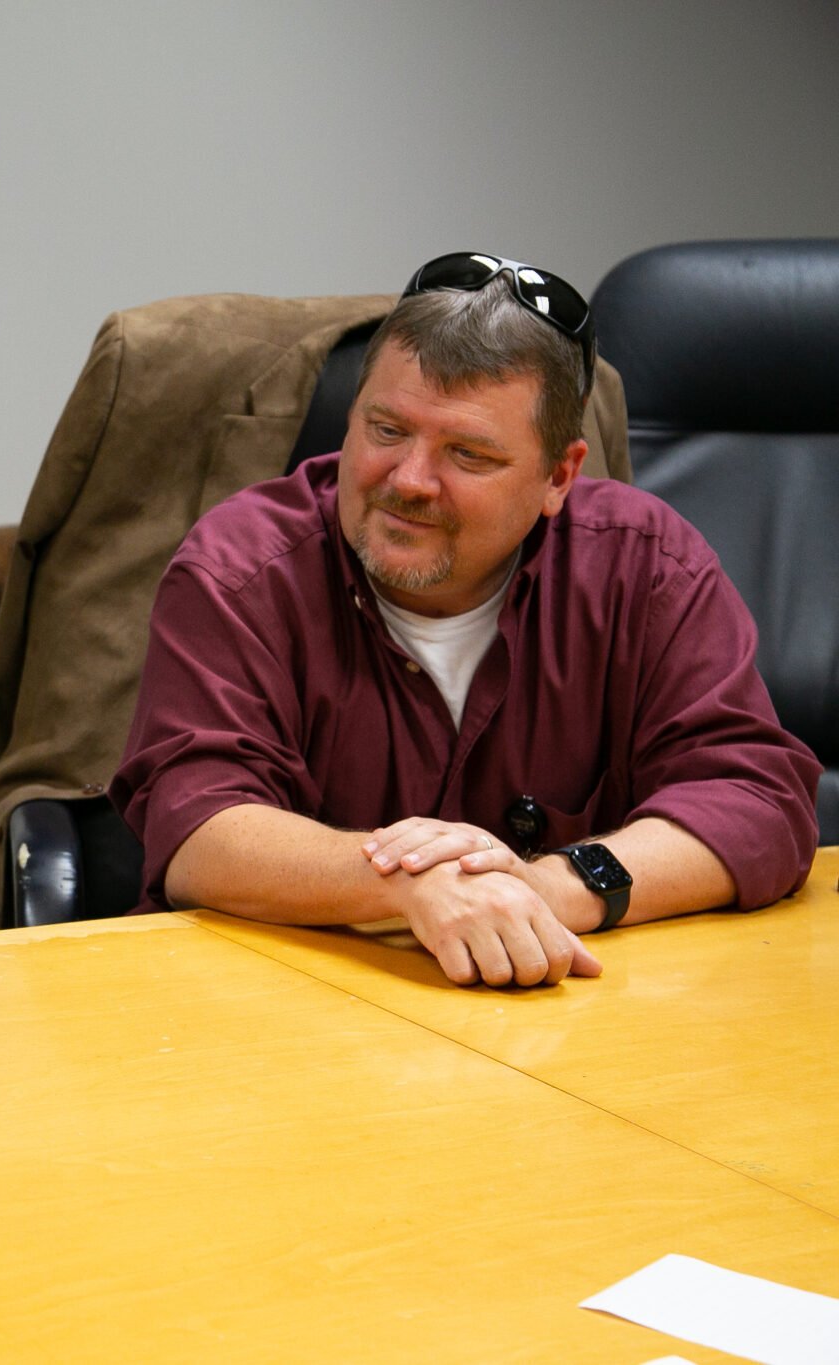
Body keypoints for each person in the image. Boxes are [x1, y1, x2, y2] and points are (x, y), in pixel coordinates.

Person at [112, 252, 820, 989]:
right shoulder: (239, 569)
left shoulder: (646, 565)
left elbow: (758, 800)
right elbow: (199, 828)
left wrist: (543, 889)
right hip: (283, 1009)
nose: (410, 481)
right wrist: (408, 883)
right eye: (386, 430)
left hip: (558, 1020)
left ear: (558, 477)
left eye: (468, 455)